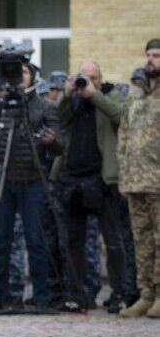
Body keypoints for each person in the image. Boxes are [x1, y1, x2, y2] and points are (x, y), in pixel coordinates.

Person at [0, 52, 62, 312]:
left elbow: (60, 144)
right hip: (3, 180)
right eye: (14, 72)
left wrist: (51, 141)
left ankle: (41, 296)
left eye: (23, 72)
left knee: (36, 240)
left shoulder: (44, 107)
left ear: (33, 77)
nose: (18, 77)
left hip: (33, 179)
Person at [52, 62, 129, 312]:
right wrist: (67, 92)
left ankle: (119, 293)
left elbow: (120, 115)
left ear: (100, 78)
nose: (88, 82)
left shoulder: (110, 94)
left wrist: (94, 95)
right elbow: (56, 118)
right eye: (84, 78)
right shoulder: (73, 100)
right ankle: (77, 295)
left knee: (113, 240)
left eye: (92, 77)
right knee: (74, 241)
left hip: (103, 179)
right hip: (73, 178)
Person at [117, 38, 160, 318]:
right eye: (148, 55)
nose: (151, 60)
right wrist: (123, 173)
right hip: (135, 179)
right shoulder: (136, 92)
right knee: (141, 239)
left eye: (156, 55)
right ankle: (146, 294)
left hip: (158, 179)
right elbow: (124, 134)